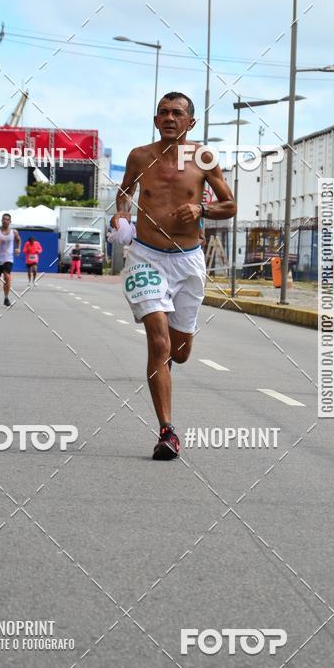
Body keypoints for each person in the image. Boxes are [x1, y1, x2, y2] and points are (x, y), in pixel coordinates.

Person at [111, 92, 236, 460]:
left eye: (177, 113)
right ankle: (167, 430)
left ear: (190, 122)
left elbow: (230, 205)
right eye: (163, 112)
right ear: (155, 120)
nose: (169, 117)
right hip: (145, 257)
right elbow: (124, 193)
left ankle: (169, 367)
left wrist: (202, 208)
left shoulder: (204, 157)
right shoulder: (139, 156)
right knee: (159, 342)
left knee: (179, 352)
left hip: (188, 261)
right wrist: (121, 217)